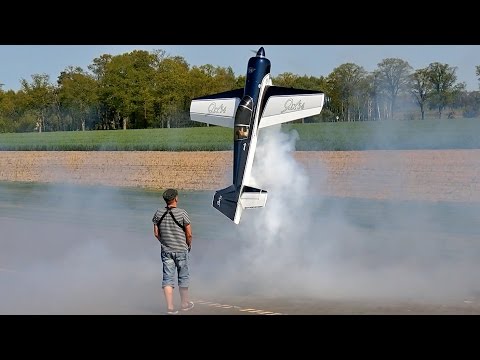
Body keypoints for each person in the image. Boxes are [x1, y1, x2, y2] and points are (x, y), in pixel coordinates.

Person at [152, 188, 194, 314]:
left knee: (167, 278)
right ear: (176, 198)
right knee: (183, 277)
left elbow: (156, 233)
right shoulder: (182, 213)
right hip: (181, 249)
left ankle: (170, 307)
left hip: (166, 251)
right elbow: (189, 233)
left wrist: (164, 242)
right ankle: (184, 303)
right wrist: (188, 244)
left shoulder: (158, 213)